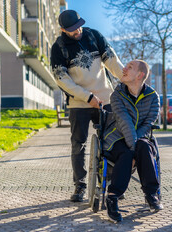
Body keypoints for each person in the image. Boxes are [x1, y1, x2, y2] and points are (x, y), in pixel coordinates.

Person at [50, 10, 124, 202]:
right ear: (63, 30)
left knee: (112, 141)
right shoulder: (58, 48)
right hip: (78, 102)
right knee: (78, 144)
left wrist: (126, 78)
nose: (77, 31)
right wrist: (87, 96)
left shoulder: (94, 36)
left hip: (105, 99)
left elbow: (113, 62)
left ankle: (111, 184)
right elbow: (62, 80)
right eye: (72, 30)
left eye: (78, 26)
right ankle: (80, 186)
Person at [102, 60, 163, 222]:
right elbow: (124, 122)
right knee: (127, 152)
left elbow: (149, 123)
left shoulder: (153, 97)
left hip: (141, 137)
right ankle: (113, 197)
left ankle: (151, 194)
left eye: (129, 67)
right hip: (117, 137)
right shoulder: (117, 95)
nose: (124, 69)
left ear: (140, 75)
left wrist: (137, 145)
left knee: (144, 146)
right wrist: (133, 147)